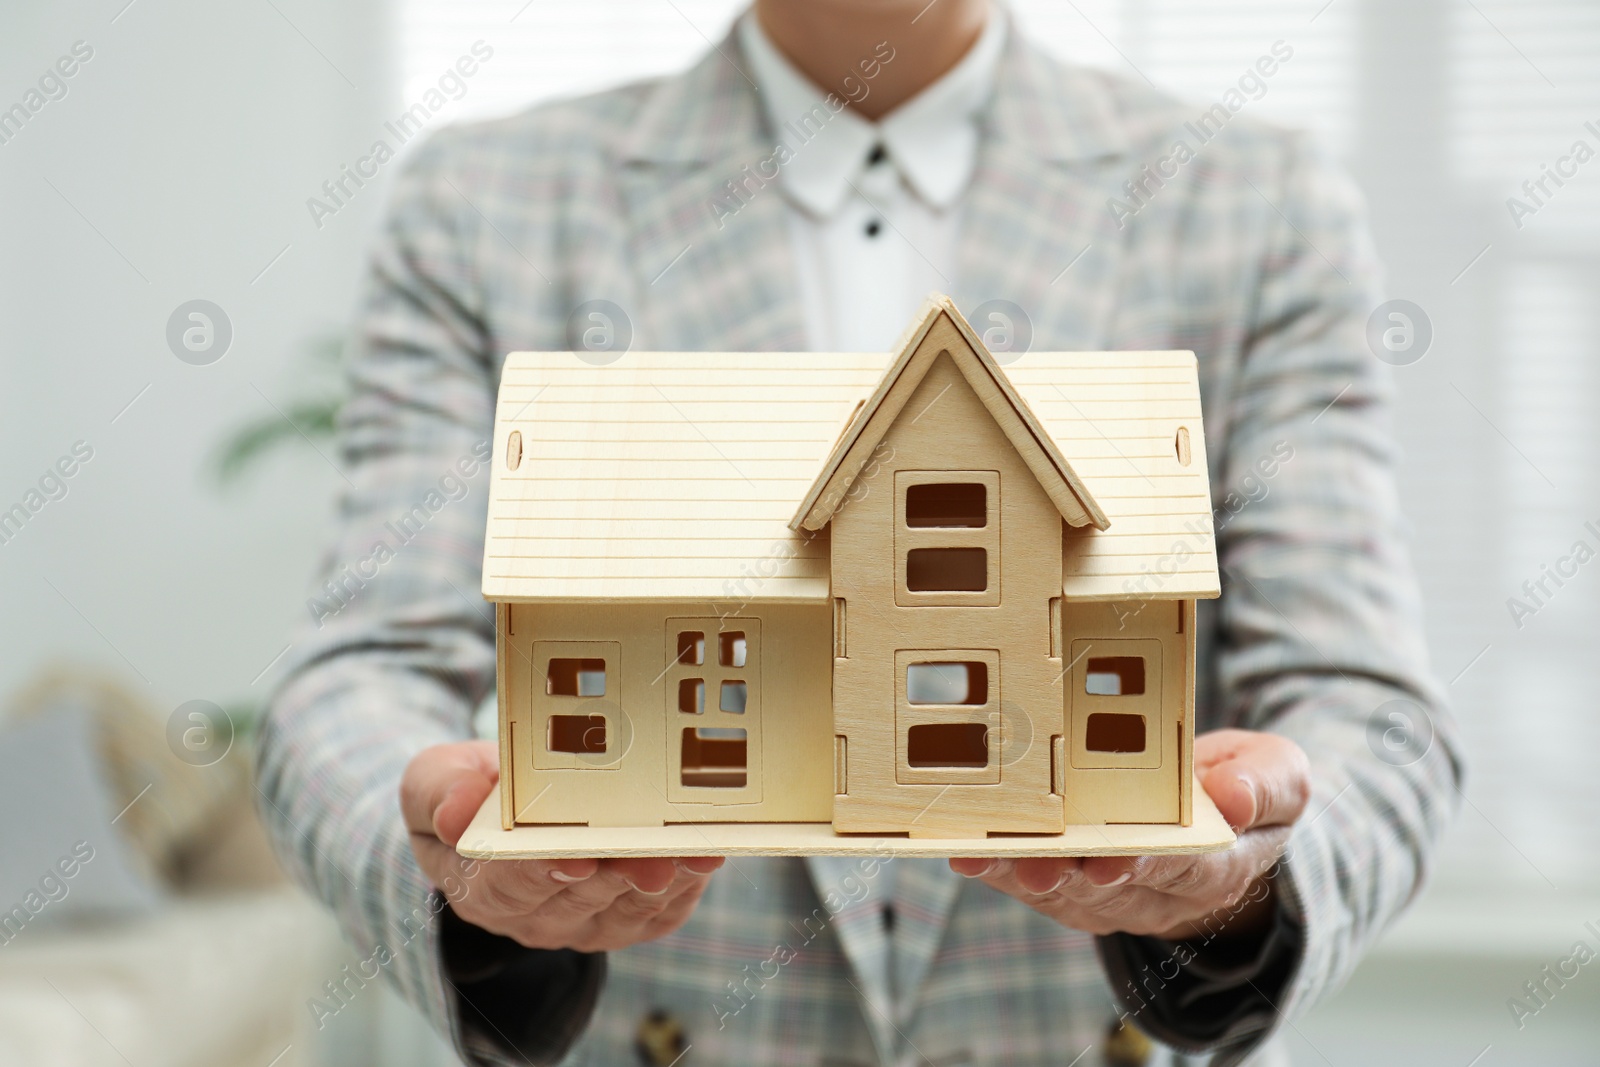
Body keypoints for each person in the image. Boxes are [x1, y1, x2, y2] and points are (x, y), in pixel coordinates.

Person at [257, 1, 1463, 1064]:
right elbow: (359, 676)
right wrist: (465, 885)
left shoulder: (1255, 198)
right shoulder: (482, 203)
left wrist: (1239, 887)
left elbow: (1369, 705)